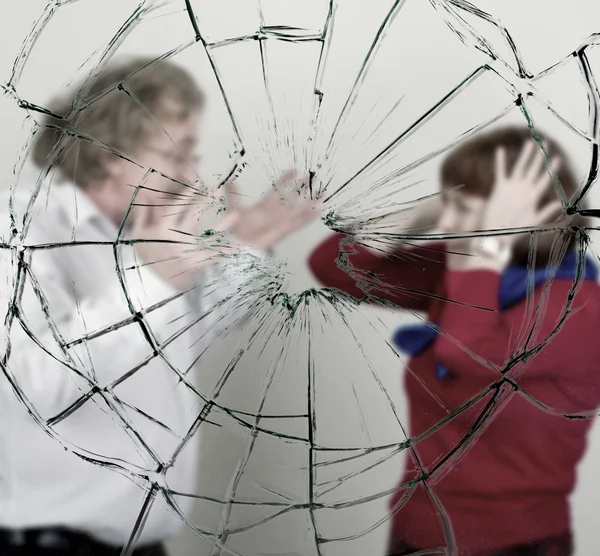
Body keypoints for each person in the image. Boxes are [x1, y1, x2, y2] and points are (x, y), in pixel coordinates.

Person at [0, 57, 317, 555]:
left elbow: (173, 347)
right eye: (180, 153)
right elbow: (35, 385)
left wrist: (249, 249)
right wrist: (151, 277)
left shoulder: (130, 237)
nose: (192, 176)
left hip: (138, 543)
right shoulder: (16, 230)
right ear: (110, 151)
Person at [308, 127, 600, 556]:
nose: (463, 216)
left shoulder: (579, 302)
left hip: (516, 543)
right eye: (460, 199)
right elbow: (333, 263)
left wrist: (477, 253)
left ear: (545, 207)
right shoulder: (467, 273)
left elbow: (465, 353)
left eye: (479, 202)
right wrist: (426, 211)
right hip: (415, 528)